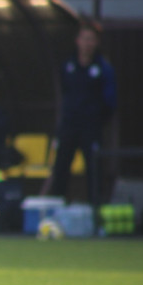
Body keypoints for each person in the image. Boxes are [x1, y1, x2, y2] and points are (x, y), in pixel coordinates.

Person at [42, 19, 116, 212]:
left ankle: (95, 212)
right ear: (78, 40)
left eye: (91, 39)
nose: (87, 43)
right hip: (69, 126)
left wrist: (96, 119)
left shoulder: (103, 68)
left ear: (96, 42)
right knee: (61, 167)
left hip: (91, 127)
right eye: (84, 39)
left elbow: (110, 102)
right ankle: (57, 210)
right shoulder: (68, 65)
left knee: (94, 169)